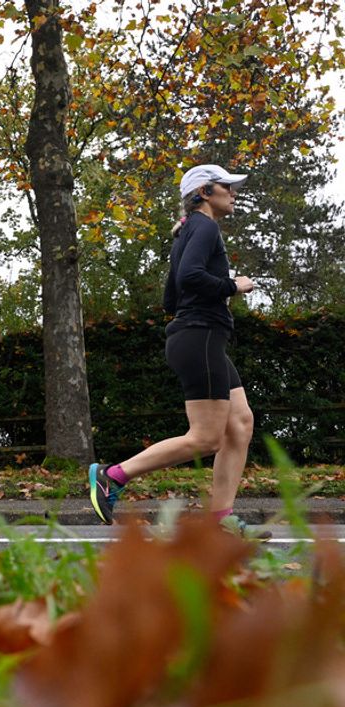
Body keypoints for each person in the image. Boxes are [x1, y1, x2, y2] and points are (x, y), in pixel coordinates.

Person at [88, 164, 268, 539]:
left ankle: (222, 518)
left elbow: (172, 295)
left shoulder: (187, 232)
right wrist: (233, 286)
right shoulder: (204, 226)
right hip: (199, 337)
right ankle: (112, 476)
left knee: (240, 424)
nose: (233, 193)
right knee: (206, 437)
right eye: (227, 187)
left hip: (201, 337)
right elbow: (189, 278)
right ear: (205, 192)